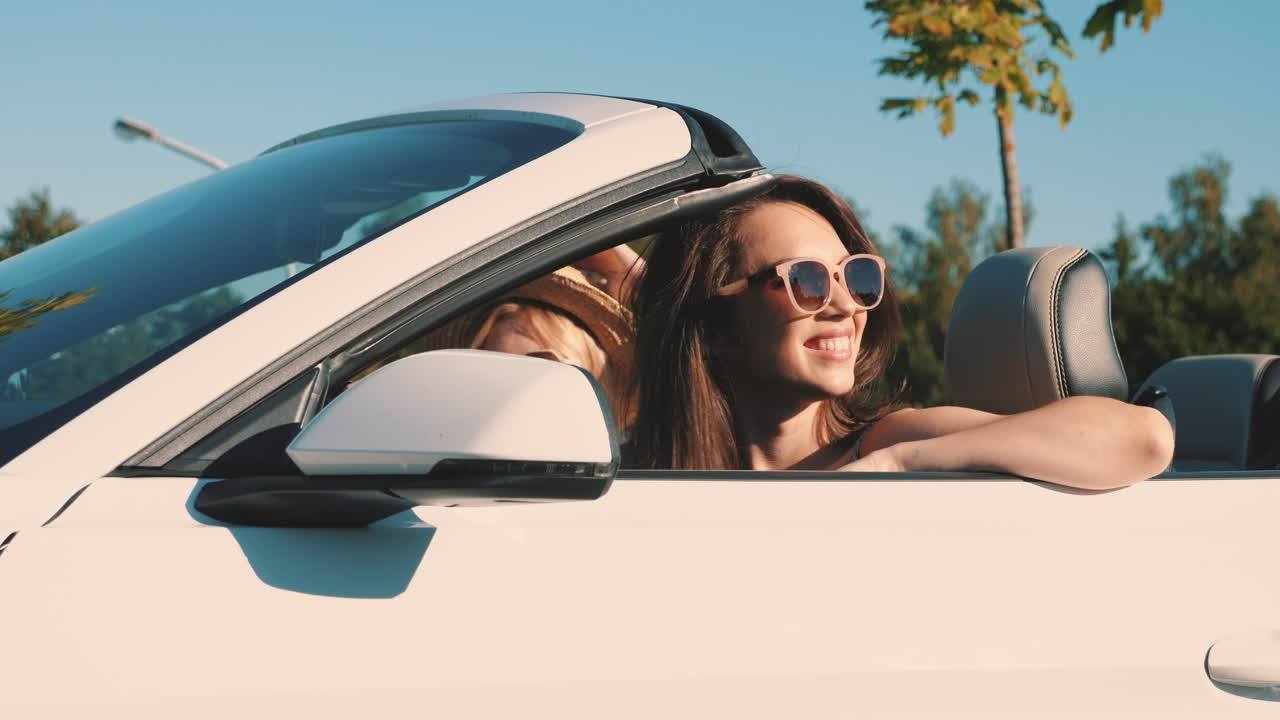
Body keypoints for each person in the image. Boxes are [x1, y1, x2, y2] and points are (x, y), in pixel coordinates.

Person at [625, 175, 1174, 490]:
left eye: (856, 276)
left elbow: (1145, 438)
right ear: (714, 325)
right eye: (807, 281)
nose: (846, 305)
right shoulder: (639, 474)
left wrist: (904, 464)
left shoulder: (885, 443)